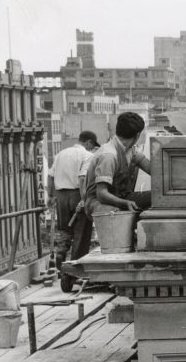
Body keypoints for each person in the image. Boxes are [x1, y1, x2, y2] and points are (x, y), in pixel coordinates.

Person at [62, 112, 152, 292]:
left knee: (154, 198)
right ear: (136, 135)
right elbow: (102, 194)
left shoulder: (130, 150)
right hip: (98, 203)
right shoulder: (109, 155)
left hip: (119, 197)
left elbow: (152, 168)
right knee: (116, 215)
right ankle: (114, 262)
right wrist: (124, 204)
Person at [48, 130, 99, 271]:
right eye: (92, 145)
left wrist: (50, 196)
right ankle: (76, 264)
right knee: (81, 231)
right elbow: (82, 178)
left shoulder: (61, 154)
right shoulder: (87, 155)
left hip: (60, 195)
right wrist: (84, 199)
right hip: (77, 194)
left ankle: (61, 252)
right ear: (88, 142)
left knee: (64, 228)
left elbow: (50, 176)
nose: (92, 148)